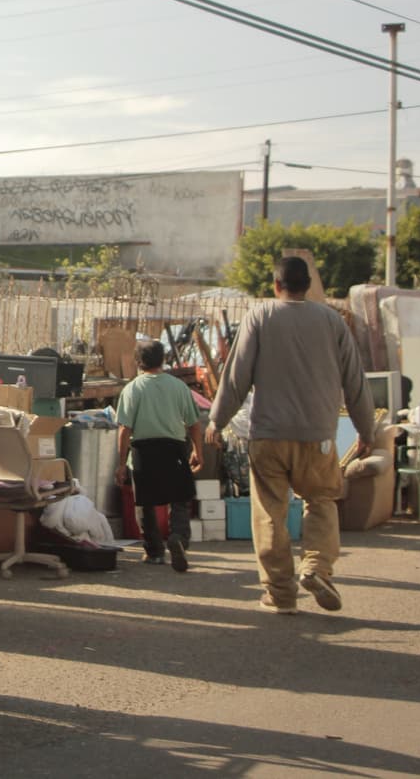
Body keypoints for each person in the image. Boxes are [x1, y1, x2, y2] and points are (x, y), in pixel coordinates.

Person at [206, 256, 374, 615]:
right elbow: (355, 382)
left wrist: (215, 421)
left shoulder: (261, 317)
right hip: (318, 437)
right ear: (308, 285)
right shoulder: (332, 321)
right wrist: (365, 429)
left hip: (268, 436)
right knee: (321, 502)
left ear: (276, 285)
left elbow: (237, 378)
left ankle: (280, 594)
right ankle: (316, 567)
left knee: (270, 513)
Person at [115, 340, 202, 572]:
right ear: (163, 360)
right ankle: (179, 538)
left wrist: (121, 464)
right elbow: (194, 424)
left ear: (138, 362)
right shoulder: (179, 387)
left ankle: (154, 551)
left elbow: (125, 429)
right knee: (180, 498)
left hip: (143, 450)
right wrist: (197, 451)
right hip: (174, 448)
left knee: (145, 502)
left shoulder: (132, 389)